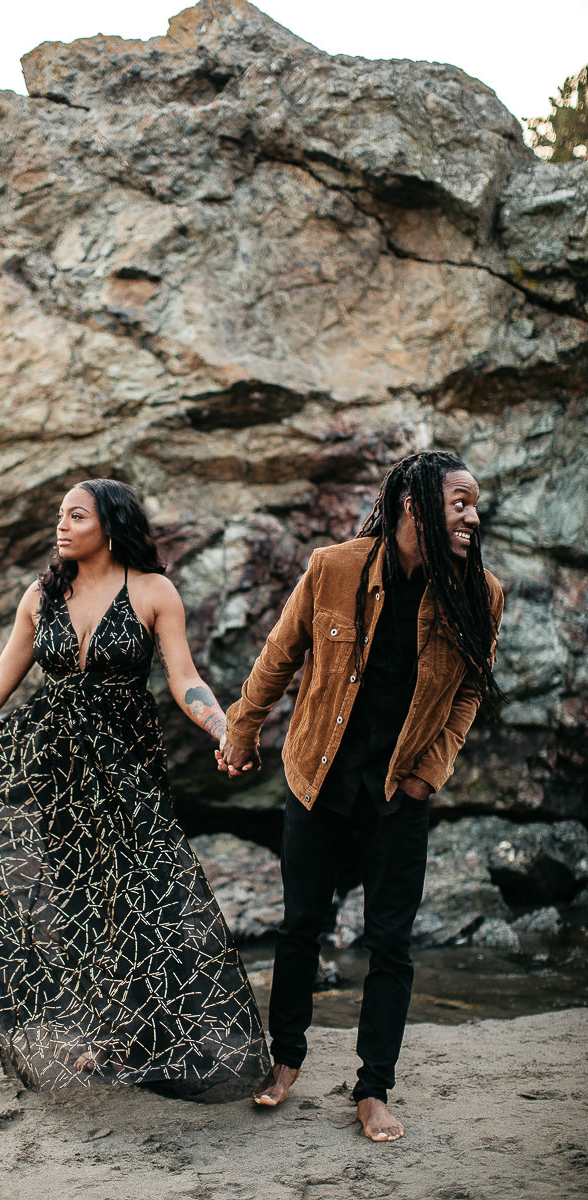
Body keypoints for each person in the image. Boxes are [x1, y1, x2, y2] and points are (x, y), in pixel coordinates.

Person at [0, 478, 269, 1096]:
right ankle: (108, 1038)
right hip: (57, 769)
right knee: (78, 899)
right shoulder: (41, 597)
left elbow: (185, 679)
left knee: (147, 894)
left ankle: (164, 1033)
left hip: (127, 765)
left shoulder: (153, 591)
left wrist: (223, 727)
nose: (63, 525)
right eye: (60, 516)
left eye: (77, 515)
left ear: (111, 524)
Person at [216, 451, 504, 1140]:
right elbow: (279, 655)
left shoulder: (479, 592)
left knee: (392, 944)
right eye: (459, 501)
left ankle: (373, 1088)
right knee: (300, 926)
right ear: (415, 507)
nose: (473, 514)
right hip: (317, 775)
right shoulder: (334, 568)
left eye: (474, 502)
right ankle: (285, 1060)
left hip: (398, 793)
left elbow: (469, 691)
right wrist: (242, 729)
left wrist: (425, 774)